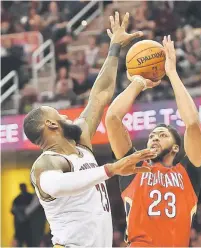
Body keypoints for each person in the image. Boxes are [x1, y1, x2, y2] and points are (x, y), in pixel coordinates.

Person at [23, 12, 155, 247]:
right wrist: (112, 169)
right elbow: (57, 185)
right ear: (51, 125)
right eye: (57, 113)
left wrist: (114, 47)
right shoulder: (47, 164)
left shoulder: (80, 142)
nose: (64, 114)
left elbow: (100, 94)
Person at [105, 35, 201, 247]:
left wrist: (172, 73)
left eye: (162, 135)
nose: (154, 138)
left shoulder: (188, 173)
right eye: (152, 135)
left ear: (176, 147)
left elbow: (192, 124)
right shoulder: (133, 167)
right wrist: (139, 83)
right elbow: (113, 119)